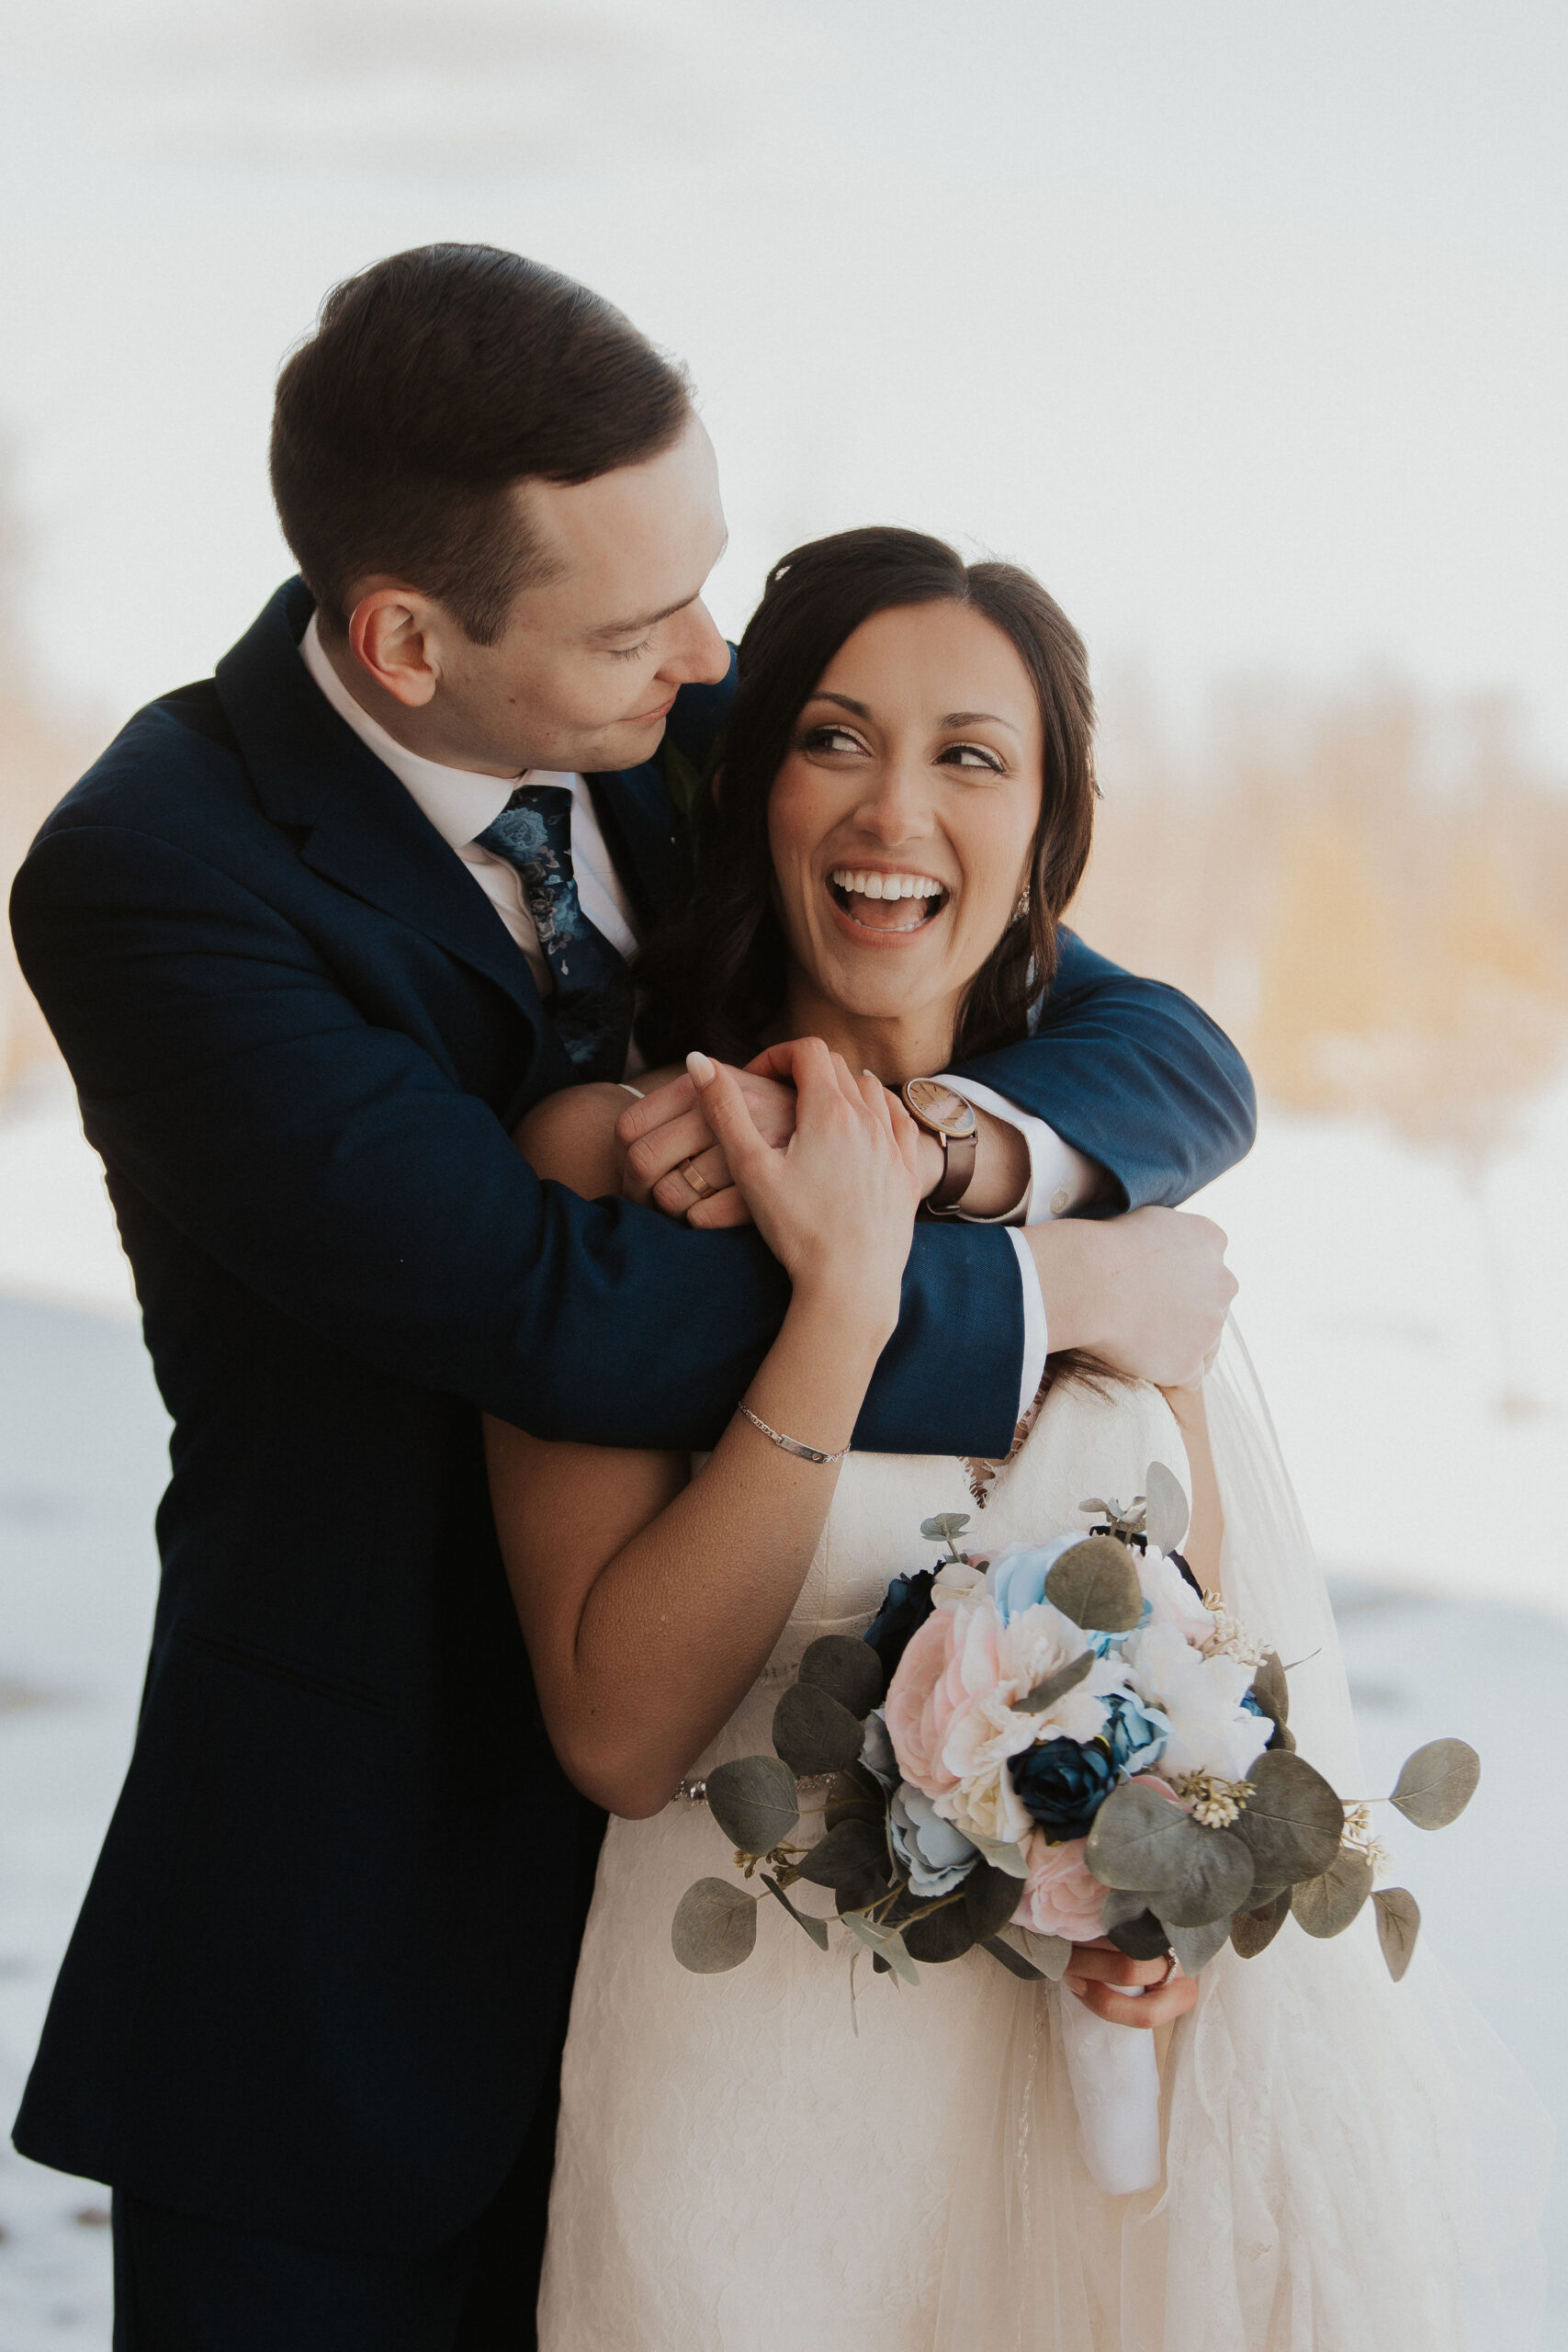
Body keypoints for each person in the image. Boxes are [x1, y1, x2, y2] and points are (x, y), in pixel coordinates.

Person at [6, 247, 1254, 2348]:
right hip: (359, 1936)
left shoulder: (668, 723)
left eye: (711, 576)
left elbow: (1148, 1040)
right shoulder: (156, 877)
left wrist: (950, 1144)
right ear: (406, 638)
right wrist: (1051, 1295)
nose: (711, 654)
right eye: (638, 619)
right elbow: (554, 1308)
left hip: (771, 1959)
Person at [491, 528, 1551, 2351]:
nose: (893, 805)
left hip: (1072, 2148)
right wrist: (836, 1294)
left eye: (970, 754)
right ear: (750, 790)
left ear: (1046, 842)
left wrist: (1166, 1911)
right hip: (750, 2115)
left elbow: (1216, 1686)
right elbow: (619, 1724)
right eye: (833, 736)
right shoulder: (612, 1159)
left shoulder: (1129, 1223)